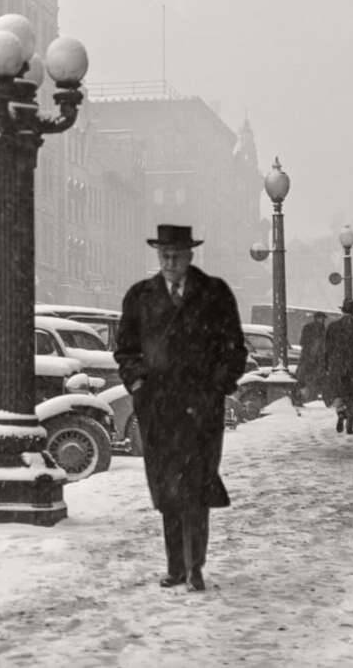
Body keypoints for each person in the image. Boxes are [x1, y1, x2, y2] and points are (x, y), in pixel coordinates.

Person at [114, 224, 247, 593]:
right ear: (158, 256)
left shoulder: (214, 294)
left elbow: (235, 348)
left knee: (196, 486)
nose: (170, 262)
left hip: (200, 409)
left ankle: (195, 567)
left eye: (177, 255)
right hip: (158, 409)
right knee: (167, 489)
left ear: (190, 256)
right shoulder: (141, 296)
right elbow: (125, 350)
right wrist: (139, 383)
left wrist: (217, 386)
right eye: (164, 255)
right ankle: (175, 567)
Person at [324, 298, 353, 434]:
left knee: (338, 392)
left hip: (337, 365)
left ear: (342, 311)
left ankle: (340, 411)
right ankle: (350, 425)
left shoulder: (333, 327)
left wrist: (327, 363)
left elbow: (327, 347)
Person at [295, 311, 327, 404]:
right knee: (312, 378)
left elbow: (302, 342)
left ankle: (305, 397)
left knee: (304, 377)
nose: (323, 320)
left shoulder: (308, 327)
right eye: (322, 318)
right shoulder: (320, 329)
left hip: (309, 357)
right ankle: (310, 397)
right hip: (314, 358)